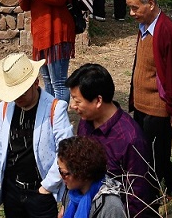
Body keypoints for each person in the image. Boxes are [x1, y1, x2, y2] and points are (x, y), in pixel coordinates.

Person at [0, 52, 75, 218]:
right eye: (13, 94)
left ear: (35, 82)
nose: (17, 99)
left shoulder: (55, 109)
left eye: (22, 93)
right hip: (12, 189)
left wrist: (47, 187)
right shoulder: (4, 109)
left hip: (39, 192)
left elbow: (66, 153)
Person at [126, 0, 172, 200]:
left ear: (151, 4)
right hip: (142, 105)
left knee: (155, 161)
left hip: (158, 109)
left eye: (135, 8)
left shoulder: (166, 31)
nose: (131, 13)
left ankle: (153, 202)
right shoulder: (145, 27)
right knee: (147, 156)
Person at [66, 63, 157, 218]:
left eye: (77, 100)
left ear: (98, 100)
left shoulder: (130, 139)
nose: (72, 106)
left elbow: (139, 200)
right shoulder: (85, 123)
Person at [18, 0, 75, 101]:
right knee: (48, 82)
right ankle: (51, 116)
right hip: (41, 36)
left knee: (59, 83)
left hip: (57, 33)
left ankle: (59, 119)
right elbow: (25, 6)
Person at [56, 137, 128, 218]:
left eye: (64, 173)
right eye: (59, 171)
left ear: (82, 173)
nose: (61, 176)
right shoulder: (72, 194)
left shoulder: (111, 207)